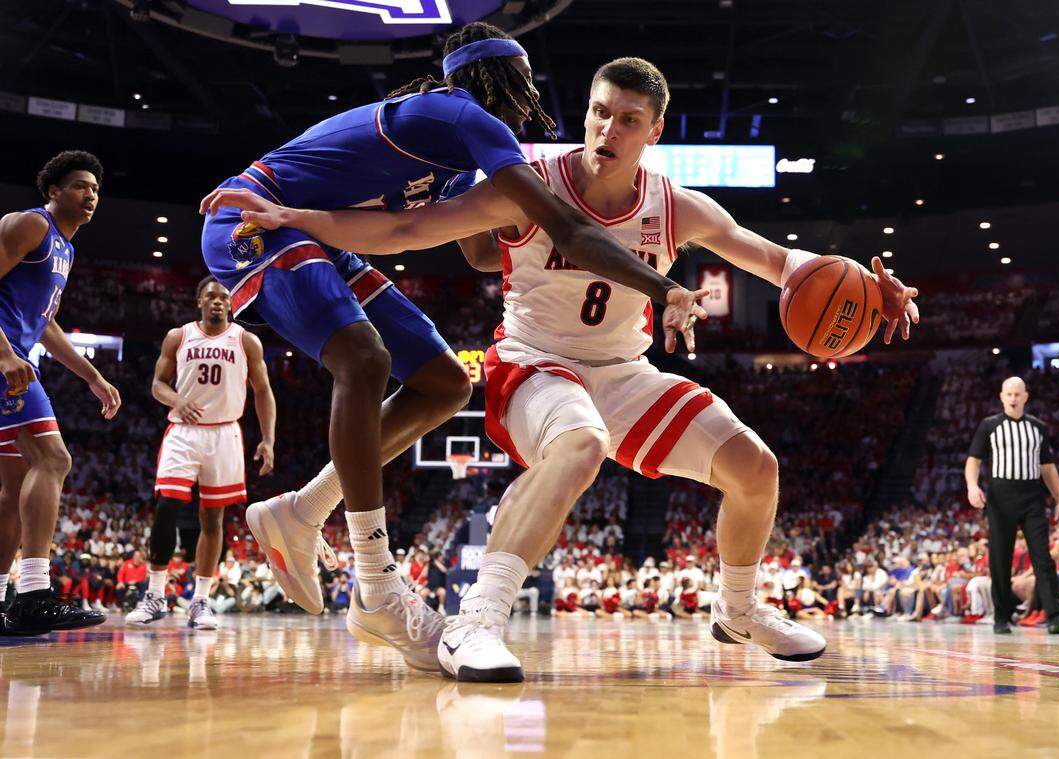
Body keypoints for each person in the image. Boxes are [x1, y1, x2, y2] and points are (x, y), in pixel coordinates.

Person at [206, 56, 920, 681]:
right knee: (580, 444)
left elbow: (773, 259)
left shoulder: (674, 206)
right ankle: (476, 619)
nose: (608, 130)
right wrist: (295, 216)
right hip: (532, 368)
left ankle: (737, 611)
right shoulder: (530, 188)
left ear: (654, 132)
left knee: (755, 466)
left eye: (628, 120)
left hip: (623, 372)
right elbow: (403, 229)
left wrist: (863, 283)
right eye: (599, 113)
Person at [198, 24, 706, 672]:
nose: (528, 107)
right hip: (256, 216)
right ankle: (376, 580)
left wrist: (523, 234)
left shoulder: (454, 149)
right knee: (365, 359)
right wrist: (663, 287)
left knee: (446, 383)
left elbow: (474, 250)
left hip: (318, 235)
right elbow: (572, 230)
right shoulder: (460, 115)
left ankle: (302, 510)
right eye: (523, 91)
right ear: (505, 84)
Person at [0, 151, 121, 634]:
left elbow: (44, 322)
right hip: (7, 361)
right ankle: (33, 592)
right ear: (53, 191)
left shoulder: (64, 250)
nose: (90, 194)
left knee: (13, 490)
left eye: (94, 188)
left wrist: (91, 375)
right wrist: (6, 356)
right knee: (54, 460)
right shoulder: (29, 225)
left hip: (16, 359)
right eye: (79, 186)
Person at [126, 277, 276, 630]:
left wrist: (268, 438)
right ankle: (155, 595)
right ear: (199, 302)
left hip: (225, 433)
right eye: (210, 296)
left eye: (224, 296)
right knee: (166, 507)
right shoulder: (178, 336)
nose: (218, 302)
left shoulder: (246, 341)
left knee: (213, 519)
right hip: (183, 431)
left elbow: (264, 391)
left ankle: (201, 601)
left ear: (232, 303)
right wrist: (178, 400)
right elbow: (157, 385)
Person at [965, 376, 1059, 635]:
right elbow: (974, 460)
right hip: (1000, 496)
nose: (1013, 398)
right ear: (1001, 396)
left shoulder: (1038, 427)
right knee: (1000, 558)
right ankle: (1002, 617)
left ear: (1026, 396)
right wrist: (972, 486)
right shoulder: (988, 425)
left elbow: (1047, 467)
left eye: (1018, 394)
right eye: (1008, 394)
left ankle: (1056, 614)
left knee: (1042, 557)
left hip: (1032, 496)